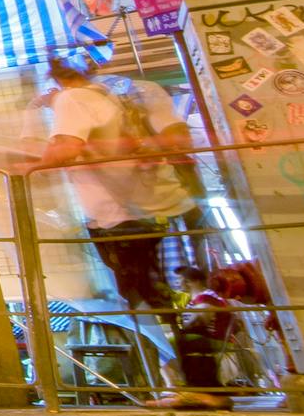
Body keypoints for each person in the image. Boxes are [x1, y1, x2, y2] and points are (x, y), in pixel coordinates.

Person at [39, 51, 200, 317]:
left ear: (57, 79)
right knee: (188, 292)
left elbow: (66, 149)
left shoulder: (73, 98)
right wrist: (140, 148)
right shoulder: (137, 91)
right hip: (172, 204)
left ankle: (167, 350)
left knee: (144, 305)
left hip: (121, 216)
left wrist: (29, 168)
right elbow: (179, 138)